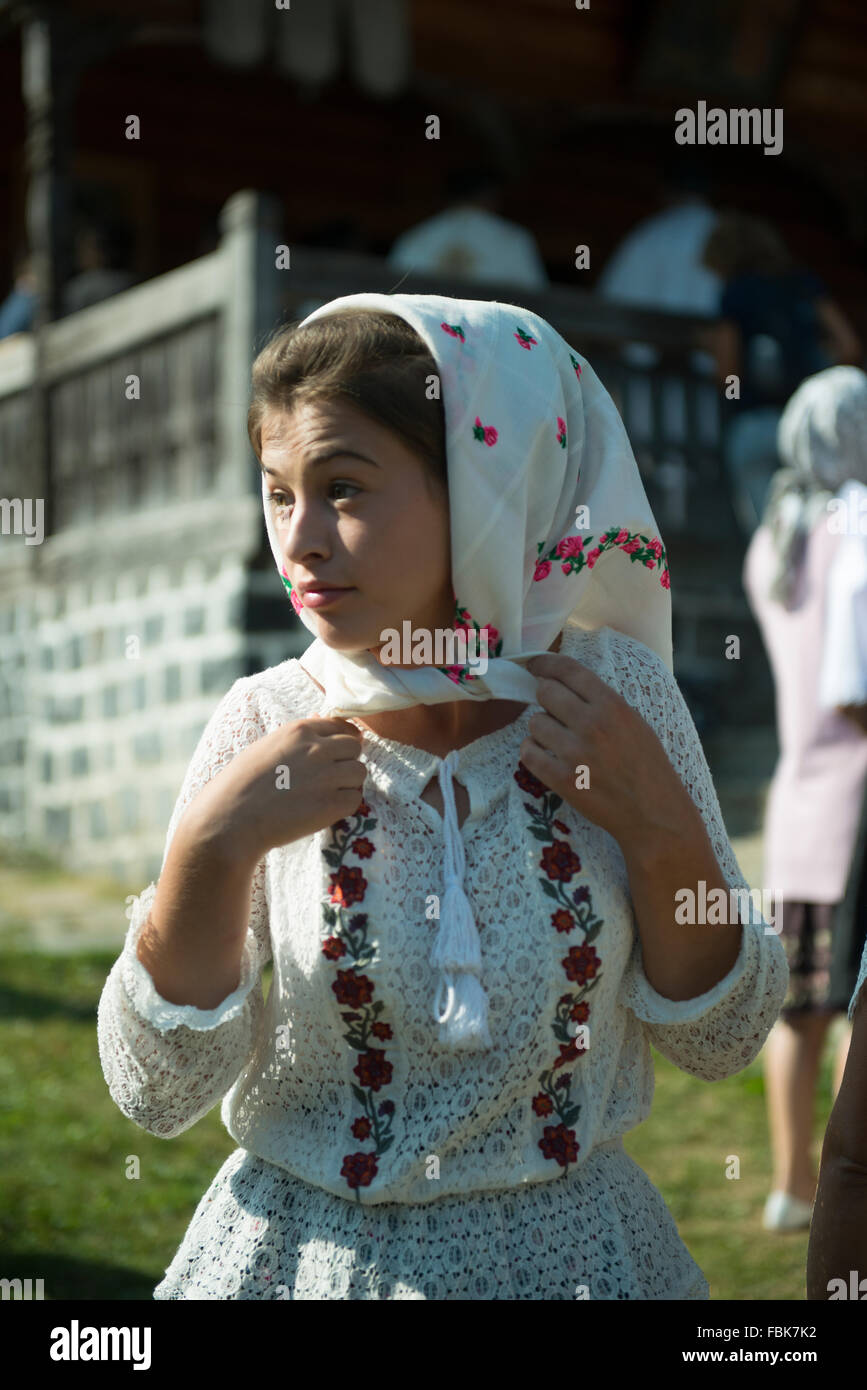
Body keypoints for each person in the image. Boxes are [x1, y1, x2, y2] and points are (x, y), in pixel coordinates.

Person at [98, 292, 787, 1300]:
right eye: (278, 491)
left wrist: (655, 824)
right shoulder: (265, 725)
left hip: (578, 1265)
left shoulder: (614, 699)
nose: (301, 540)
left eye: (343, 486)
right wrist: (212, 846)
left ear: (486, 485)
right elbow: (156, 1093)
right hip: (308, 1268)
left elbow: (722, 1041)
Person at [742, 367, 867, 1232]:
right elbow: (851, 683)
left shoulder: (772, 532)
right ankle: (847, 1183)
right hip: (857, 798)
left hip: (797, 796)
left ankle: (790, 1187)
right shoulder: (857, 518)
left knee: (800, 1008)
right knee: (856, 1003)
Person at [702, 213, 862, 540]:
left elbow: (727, 373)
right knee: (823, 533)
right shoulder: (803, 284)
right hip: (811, 427)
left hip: (755, 423)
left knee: (771, 540)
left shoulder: (736, 294)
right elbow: (849, 345)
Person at [388, 163, 549, 289]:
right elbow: (536, 296)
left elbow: (391, 289)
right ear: (491, 197)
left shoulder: (415, 237)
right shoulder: (513, 239)